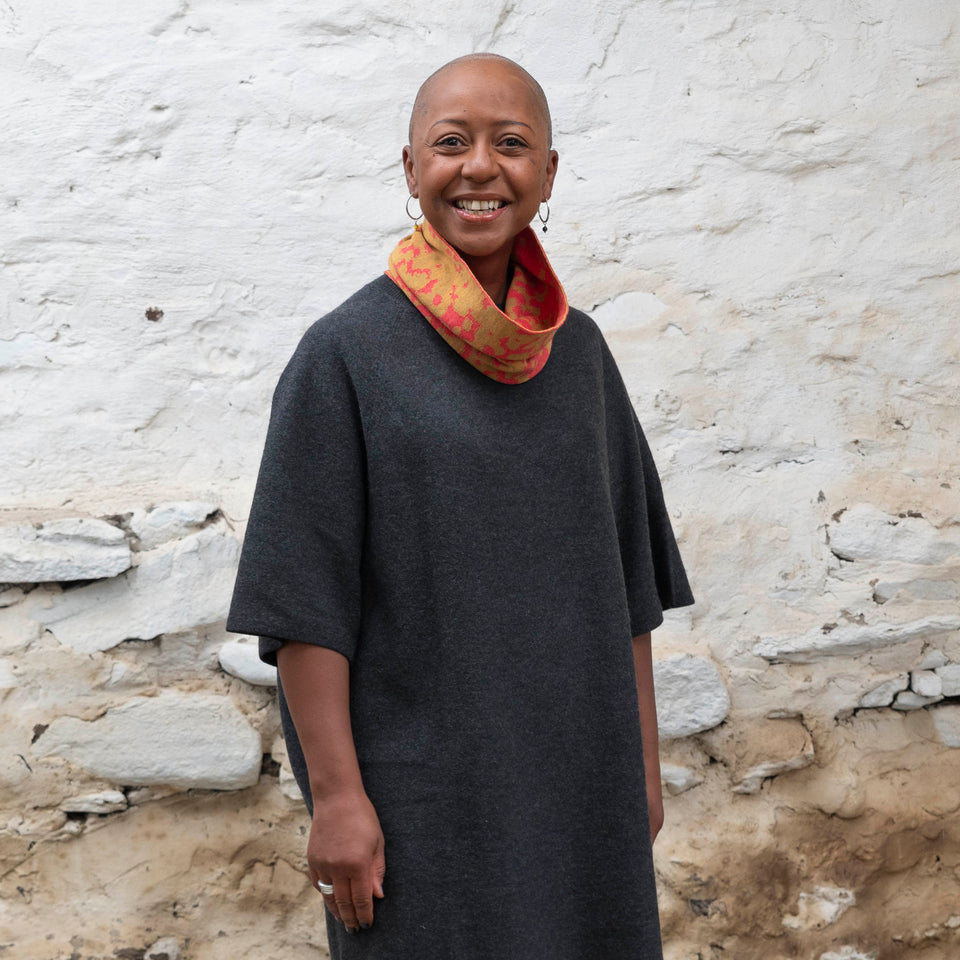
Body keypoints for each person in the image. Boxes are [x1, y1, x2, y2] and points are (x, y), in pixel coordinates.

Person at [227, 53, 694, 960]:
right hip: (422, 805)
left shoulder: (581, 356)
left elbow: (627, 587)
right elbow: (304, 608)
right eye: (451, 143)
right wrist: (338, 800)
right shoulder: (346, 356)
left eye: (511, 144)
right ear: (411, 170)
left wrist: (639, 768)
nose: (480, 167)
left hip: (577, 791)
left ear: (548, 173)